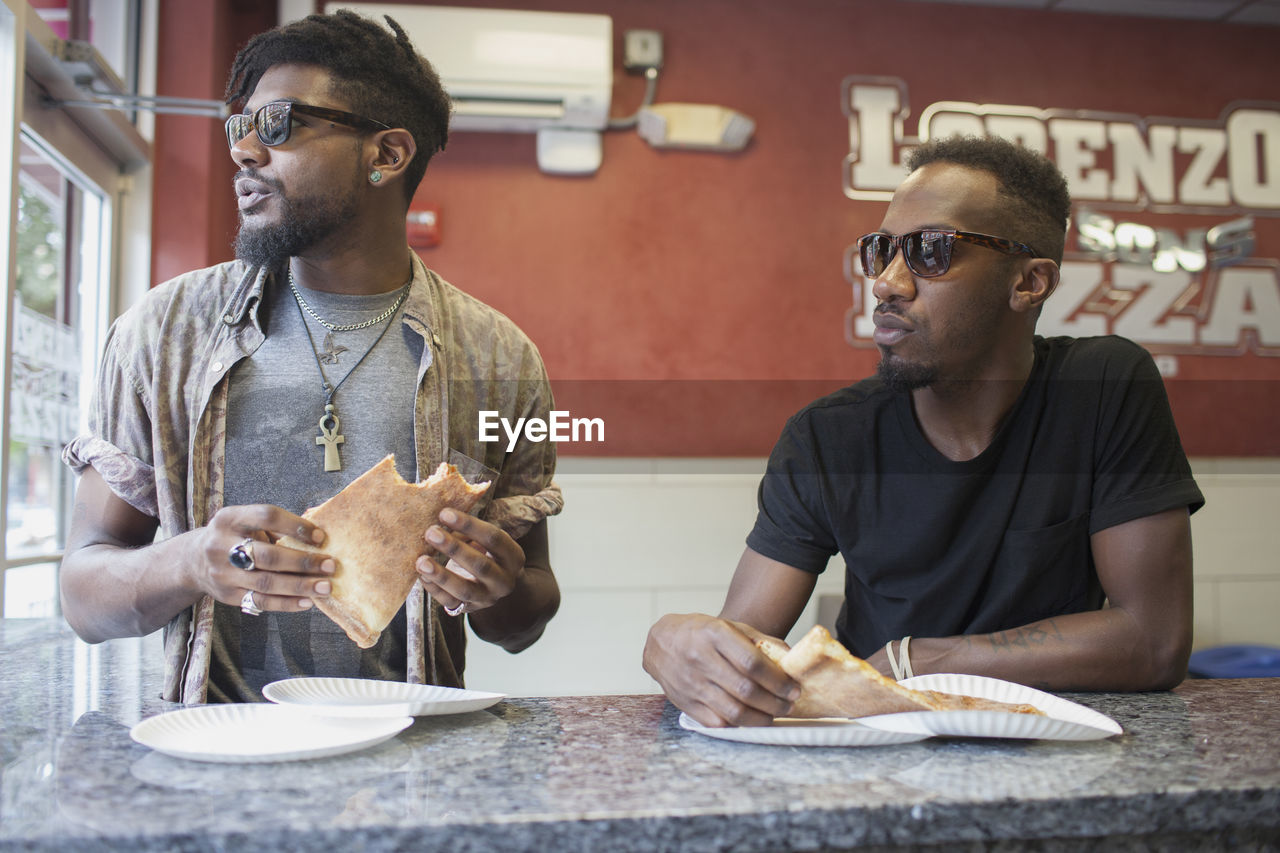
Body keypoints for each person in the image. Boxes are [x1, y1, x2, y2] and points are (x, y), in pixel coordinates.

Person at [59, 11, 563, 704]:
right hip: (215, 760)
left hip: (412, 769)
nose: (243, 152)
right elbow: (83, 597)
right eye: (242, 127)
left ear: (385, 155)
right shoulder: (162, 333)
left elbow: (527, 618)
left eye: (279, 125)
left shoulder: (503, 360)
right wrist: (190, 561)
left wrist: (495, 586)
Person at [643, 135, 1204, 727]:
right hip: (876, 750)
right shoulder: (827, 438)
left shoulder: (1102, 386)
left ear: (1029, 282)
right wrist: (673, 645)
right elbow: (744, 642)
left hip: (1053, 747)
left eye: (931, 251)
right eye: (881, 250)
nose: (887, 282)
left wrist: (914, 659)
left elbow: (1154, 641)